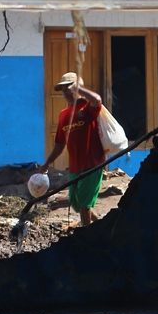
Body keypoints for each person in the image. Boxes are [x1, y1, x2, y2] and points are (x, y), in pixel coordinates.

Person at [39, 72, 105, 227]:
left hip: (92, 163)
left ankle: (87, 234)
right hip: (75, 166)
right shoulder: (63, 115)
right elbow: (60, 144)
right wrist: (47, 163)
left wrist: (79, 89)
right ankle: (101, 225)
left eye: (68, 88)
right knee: (77, 203)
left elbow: (97, 99)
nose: (65, 92)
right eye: (63, 90)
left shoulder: (88, 107)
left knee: (84, 203)